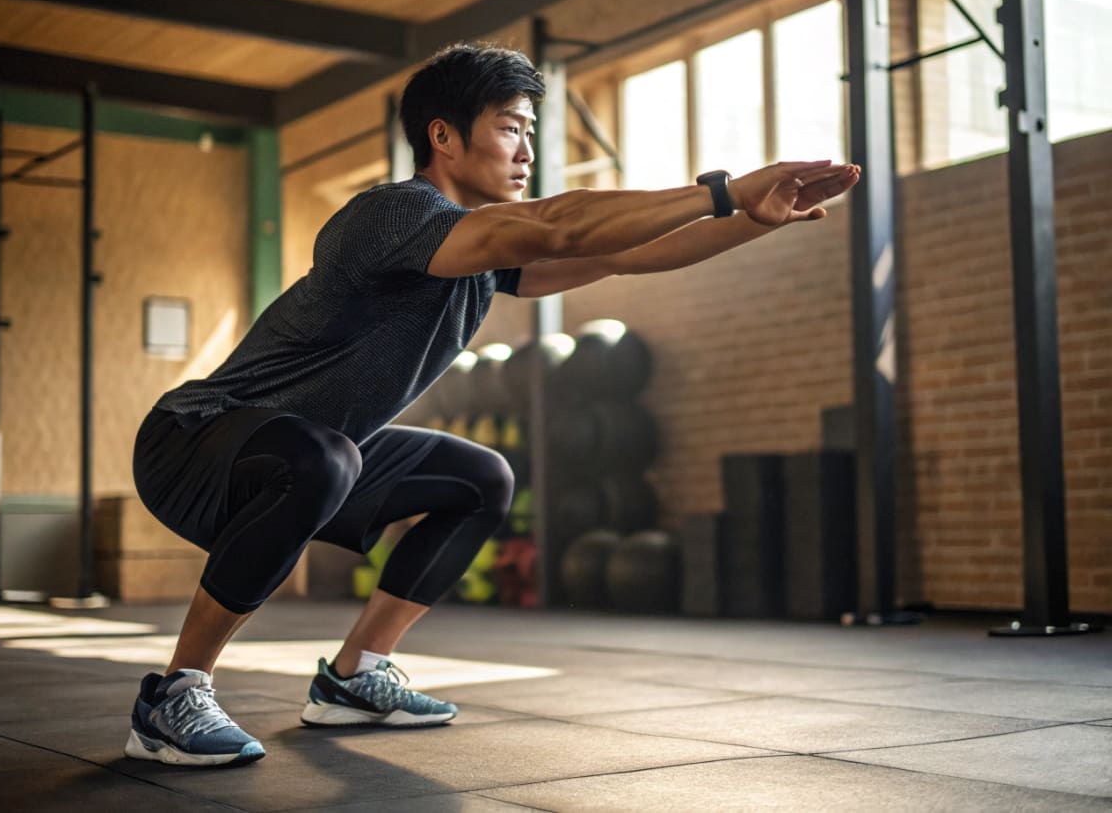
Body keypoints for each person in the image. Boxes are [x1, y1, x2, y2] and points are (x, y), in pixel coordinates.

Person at [125, 43, 860, 767]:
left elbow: (615, 253)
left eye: (529, 132)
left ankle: (354, 677)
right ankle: (175, 693)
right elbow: (561, 226)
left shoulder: (484, 260)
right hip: (195, 440)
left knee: (481, 478)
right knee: (323, 457)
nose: (525, 150)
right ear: (443, 136)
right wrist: (725, 189)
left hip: (321, 450)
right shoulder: (390, 214)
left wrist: (751, 218)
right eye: (510, 127)